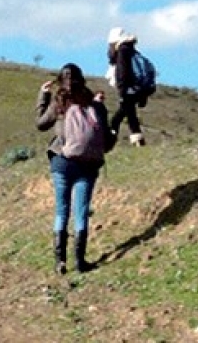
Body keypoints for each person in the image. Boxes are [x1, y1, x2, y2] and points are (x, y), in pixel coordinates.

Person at [36, 63, 115, 274]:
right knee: (81, 212)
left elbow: (41, 124)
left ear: (60, 81)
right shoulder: (95, 105)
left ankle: (60, 262)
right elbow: (107, 142)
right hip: (88, 166)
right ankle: (80, 262)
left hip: (62, 162)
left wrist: (43, 96)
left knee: (62, 211)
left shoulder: (59, 103)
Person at [106, 27, 146, 147]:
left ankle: (110, 141)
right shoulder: (131, 49)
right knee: (127, 115)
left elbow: (122, 72)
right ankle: (137, 141)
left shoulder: (122, 51)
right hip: (136, 88)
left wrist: (122, 90)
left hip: (128, 89)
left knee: (120, 118)